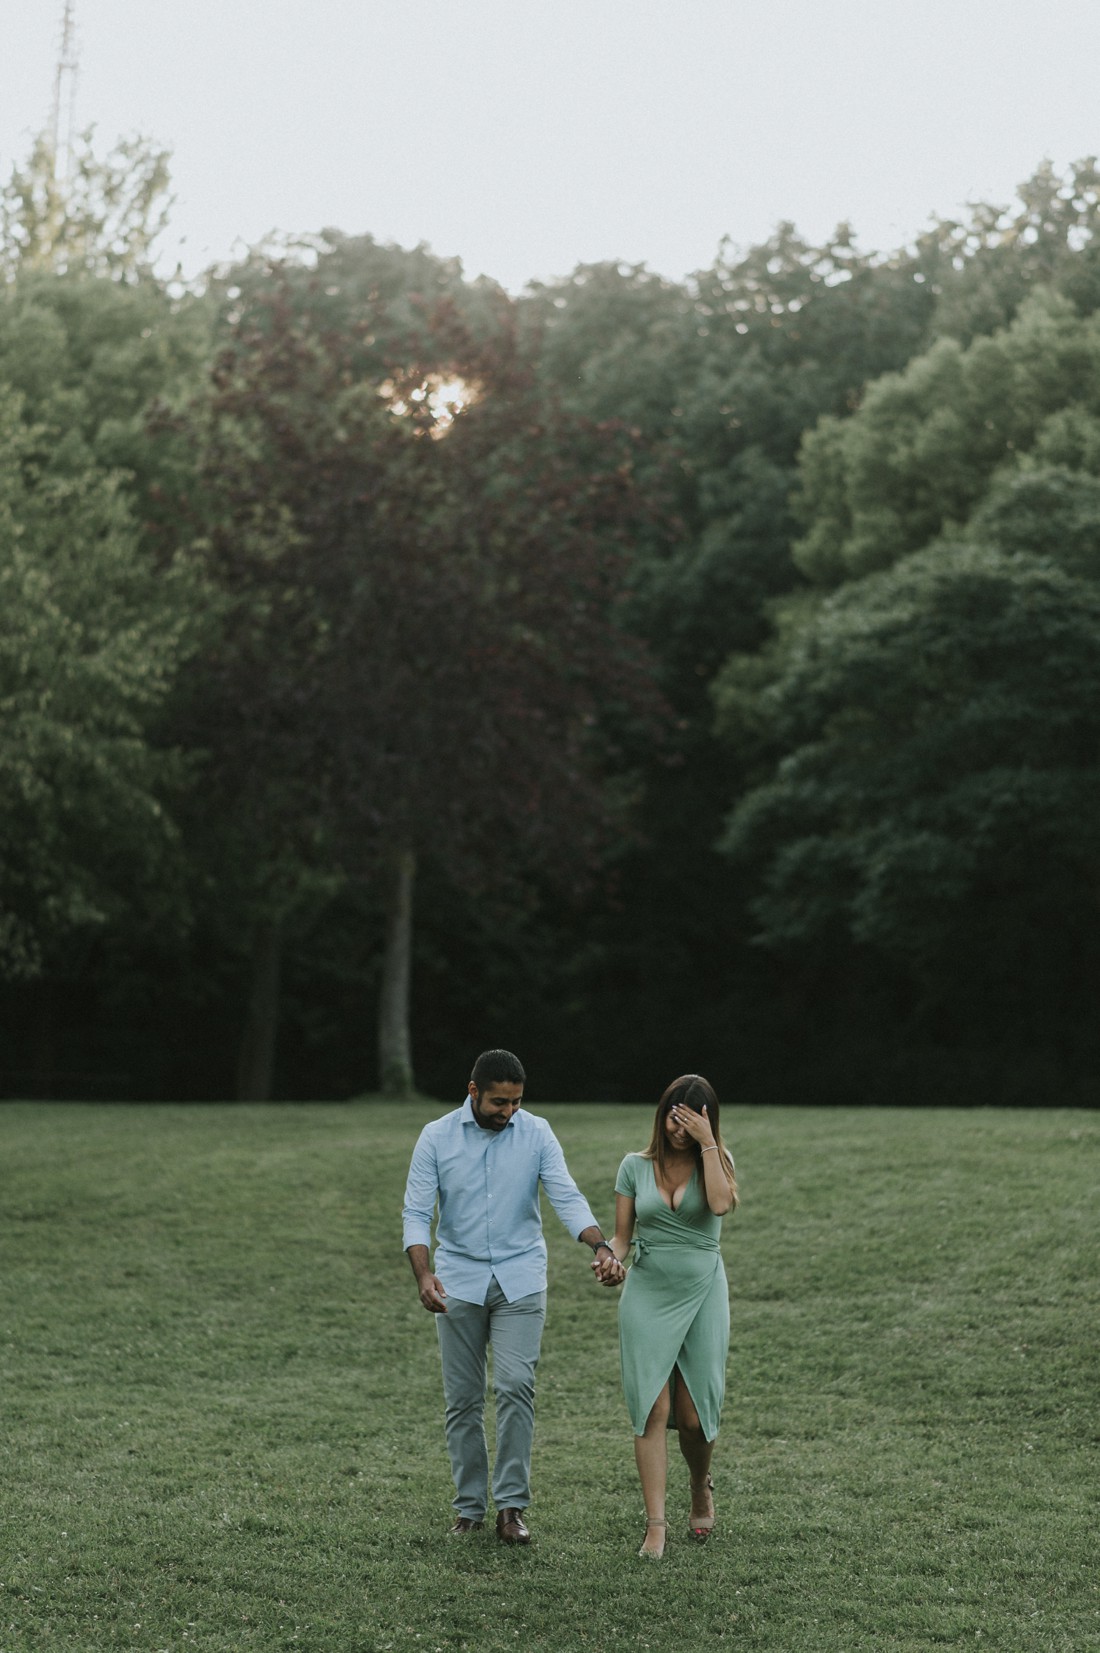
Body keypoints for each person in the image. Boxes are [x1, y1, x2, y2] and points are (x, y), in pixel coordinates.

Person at [402, 1048, 623, 1544]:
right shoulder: (436, 1137)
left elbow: (565, 1195)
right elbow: (416, 1213)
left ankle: (511, 1508)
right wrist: (423, 1274)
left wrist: (601, 1245)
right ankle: (469, 1508)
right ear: (473, 1092)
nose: (509, 1112)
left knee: (516, 1385)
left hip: (521, 1277)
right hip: (457, 1279)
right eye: (499, 1102)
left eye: (517, 1102)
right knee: (462, 1399)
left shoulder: (537, 1132)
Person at [595, 1074, 738, 1559]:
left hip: (702, 1290)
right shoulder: (634, 1167)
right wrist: (610, 1260)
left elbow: (720, 1204)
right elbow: (621, 1238)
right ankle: (655, 1525)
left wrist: (707, 1145)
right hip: (648, 1291)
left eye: (692, 1120)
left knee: (695, 1418)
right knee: (652, 1410)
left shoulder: (717, 1160)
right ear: (662, 1115)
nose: (680, 1128)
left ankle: (701, 1483)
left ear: (706, 1121)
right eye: (674, 1118)